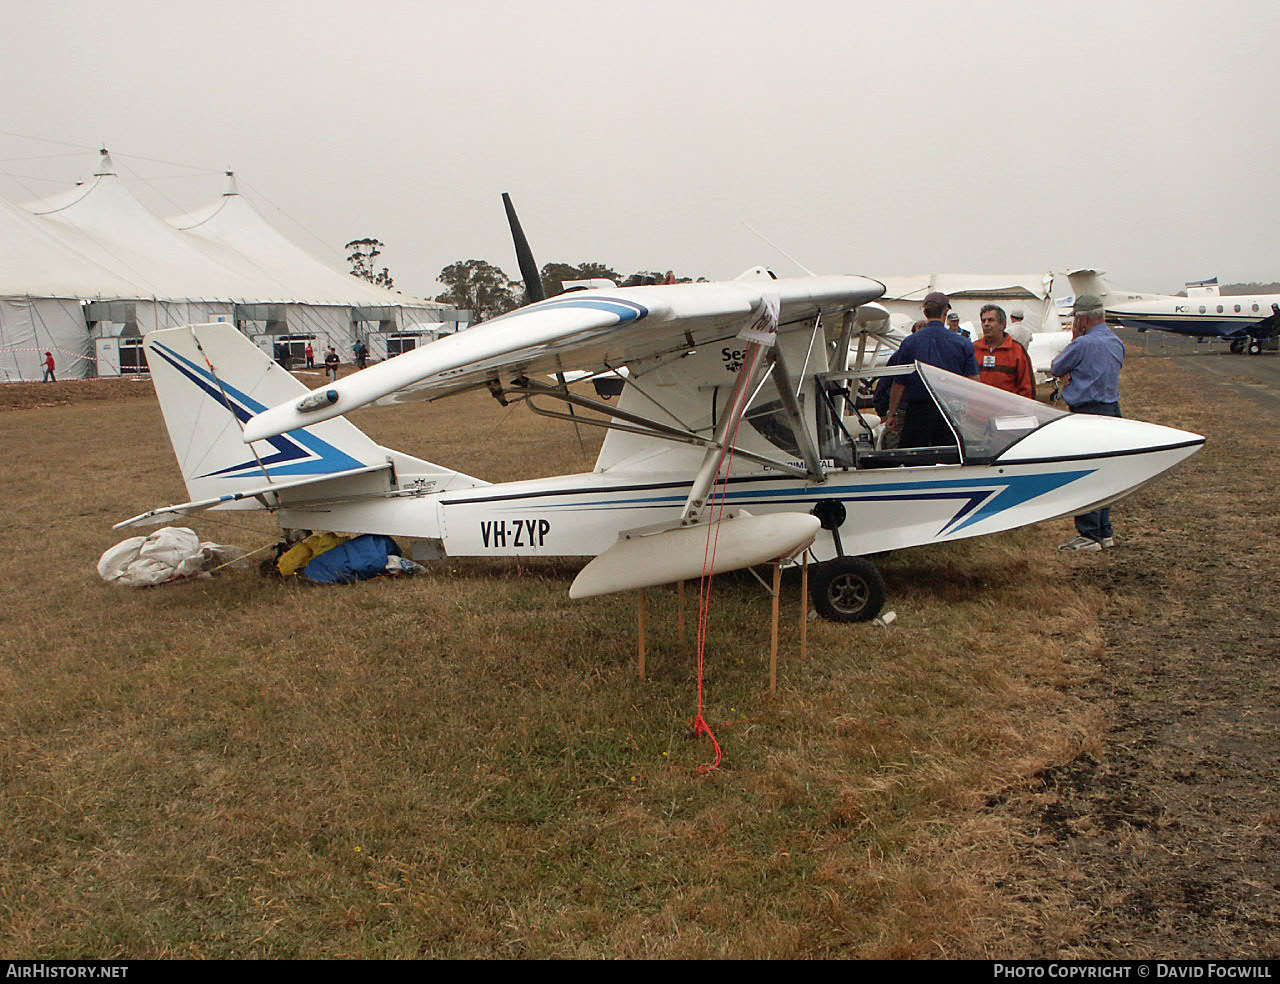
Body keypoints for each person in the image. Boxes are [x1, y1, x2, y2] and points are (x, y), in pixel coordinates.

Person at [1050, 293, 1125, 552]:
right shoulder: (1115, 341)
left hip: (1087, 411)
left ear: (1082, 319)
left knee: (1086, 472)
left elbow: (1057, 367)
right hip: (1111, 409)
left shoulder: (1082, 345)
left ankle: (1088, 534)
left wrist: (1074, 340)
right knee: (1106, 472)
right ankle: (1105, 530)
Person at [884, 291, 979, 447]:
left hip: (918, 412)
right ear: (946, 312)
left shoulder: (910, 342)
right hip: (950, 411)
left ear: (925, 312)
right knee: (949, 458)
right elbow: (974, 382)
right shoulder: (963, 343)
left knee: (915, 460)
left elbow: (899, 383)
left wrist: (892, 413)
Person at [974, 304, 1035, 400]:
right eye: (983, 321)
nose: (986, 324)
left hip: (1007, 411)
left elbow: (1027, 387)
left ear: (1003, 324)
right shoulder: (974, 349)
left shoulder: (1017, 351)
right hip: (978, 411)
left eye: (991, 320)